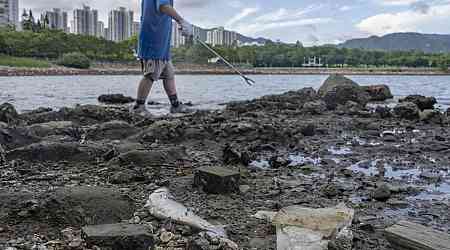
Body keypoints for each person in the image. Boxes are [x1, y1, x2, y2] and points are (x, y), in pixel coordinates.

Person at [132, 0, 193, 116]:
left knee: (169, 74)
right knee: (150, 75)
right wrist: (181, 21)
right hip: (153, 40)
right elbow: (164, 6)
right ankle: (138, 107)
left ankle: (175, 105)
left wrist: (180, 25)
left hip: (162, 43)